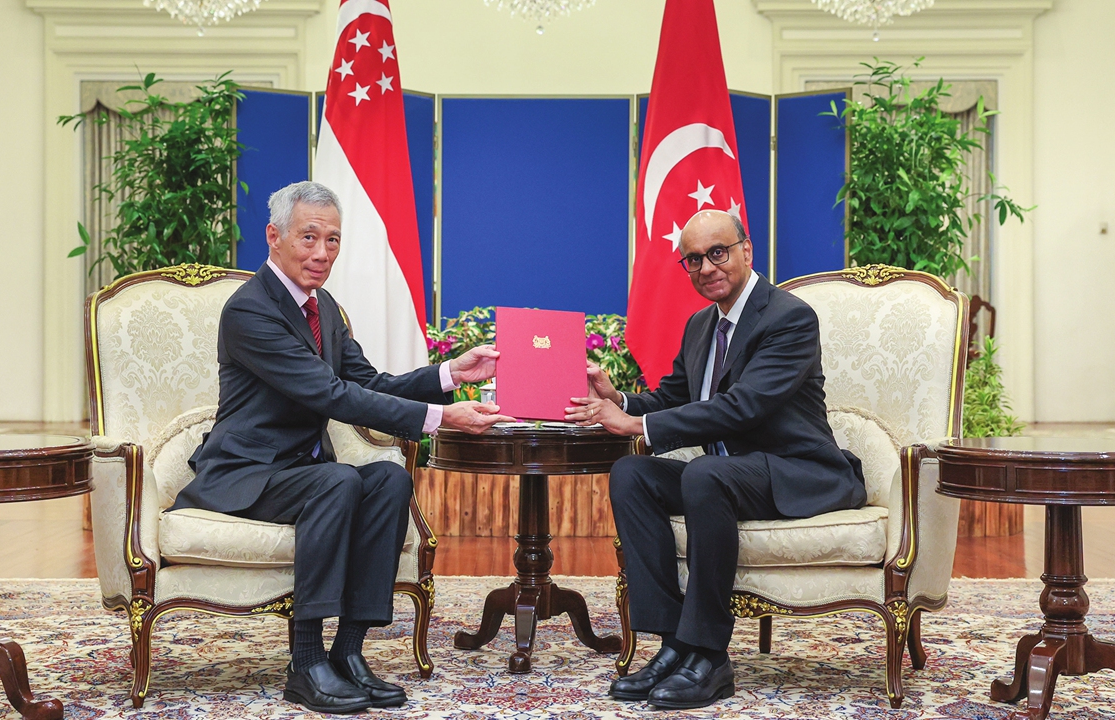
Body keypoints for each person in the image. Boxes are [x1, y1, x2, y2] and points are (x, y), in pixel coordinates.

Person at [173, 181, 514, 714]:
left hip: (302, 472)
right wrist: (441, 418)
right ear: (274, 237)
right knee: (337, 480)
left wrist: (450, 374)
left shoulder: (324, 307)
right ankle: (305, 663)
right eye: (309, 237)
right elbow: (330, 394)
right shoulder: (249, 311)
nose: (322, 252)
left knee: (389, 478)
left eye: (332, 239)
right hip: (247, 474)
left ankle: (349, 652)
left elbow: (369, 383)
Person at [565, 209, 866, 710]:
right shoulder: (701, 325)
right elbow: (673, 397)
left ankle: (709, 655)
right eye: (694, 259)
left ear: (747, 250)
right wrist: (618, 400)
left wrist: (635, 426)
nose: (706, 267)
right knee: (632, 473)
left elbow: (743, 406)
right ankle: (672, 645)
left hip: (797, 470)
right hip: (728, 476)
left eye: (718, 253)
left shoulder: (788, 317)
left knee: (706, 473)